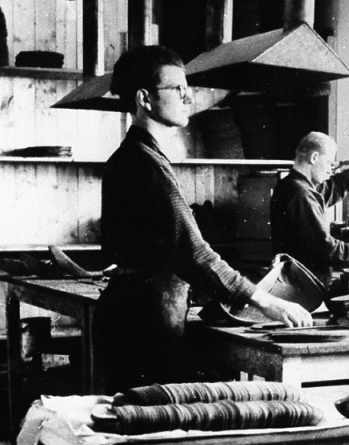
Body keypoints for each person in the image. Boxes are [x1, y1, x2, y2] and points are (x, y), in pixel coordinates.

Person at [95, 45, 312, 395]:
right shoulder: (146, 164)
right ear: (144, 99)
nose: (188, 97)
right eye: (177, 89)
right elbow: (193, 252)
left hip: (132, 312)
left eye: (188, 88)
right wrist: (268, 301)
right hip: (144, 321)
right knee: (159, 421)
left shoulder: (133, 156)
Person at [270, 132, 349, 285]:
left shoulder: (294, 185)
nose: (330, 170)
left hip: (298, 282)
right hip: (304, 287)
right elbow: (324, 247)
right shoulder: (300, 194)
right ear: (314, 158)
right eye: (329, 163)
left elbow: (332, 188)